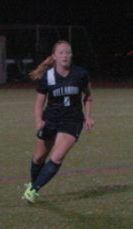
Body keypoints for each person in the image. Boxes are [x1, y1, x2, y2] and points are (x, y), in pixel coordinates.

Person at [22, 40, 94, 204]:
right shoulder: (47, 77)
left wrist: (88, 116)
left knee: (57, 156)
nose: (65, 55)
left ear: (71, 55)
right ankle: (33, 184)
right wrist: (39, 120)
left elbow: (88, 96)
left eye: (68, 52)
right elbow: (39, 103)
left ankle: (33, 190)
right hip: (50, 120)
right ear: (54, 56)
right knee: (39, 157)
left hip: (72, 121)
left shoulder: (80, 74)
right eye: (61, 52)